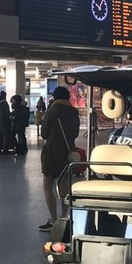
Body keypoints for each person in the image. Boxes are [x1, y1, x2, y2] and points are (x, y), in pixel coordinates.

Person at [39, 86, 80, 232]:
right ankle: (64, 218)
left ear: (55, 97)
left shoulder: (52, 111)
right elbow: (75, 133)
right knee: (64, 188)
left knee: (48, 186)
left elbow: (44, 133)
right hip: (69, 152)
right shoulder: (74, 112)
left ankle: (54, 220)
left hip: (52, 152)